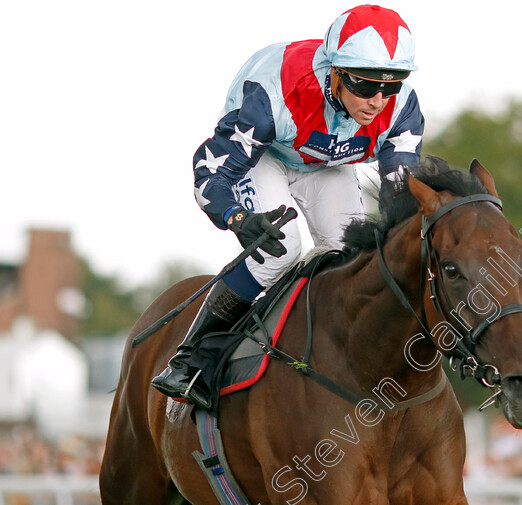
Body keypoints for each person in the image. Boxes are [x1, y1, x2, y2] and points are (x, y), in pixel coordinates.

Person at [152, 4, 425, 409]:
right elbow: (211, 173)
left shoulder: (401, 111)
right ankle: (193, 357)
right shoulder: (274, 92)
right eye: (366, 86)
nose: (378, 101)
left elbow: (400, 201)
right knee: (278, 252)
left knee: (353, 258)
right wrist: (237, 217)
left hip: (326, 166)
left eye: (392, 85)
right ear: (334, 71)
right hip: (264, 156)